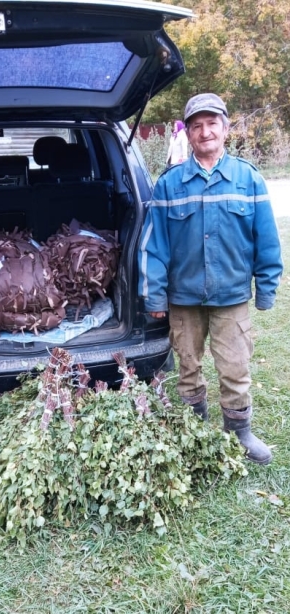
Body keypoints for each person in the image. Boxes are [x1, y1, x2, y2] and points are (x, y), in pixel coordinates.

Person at [139, 93, 283, 465]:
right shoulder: (169, 184)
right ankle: (194, 428)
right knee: (188, 366)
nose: (205, 132)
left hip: (231, 296)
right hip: (183, 298)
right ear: (187, 134)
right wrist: (155, 296)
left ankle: (239, 432)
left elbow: (267, 239)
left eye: (212, 124)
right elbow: (154, 247)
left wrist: (266, 288)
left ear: (225, 128)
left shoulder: (248, 179)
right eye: (197, 126)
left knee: (235, 367)